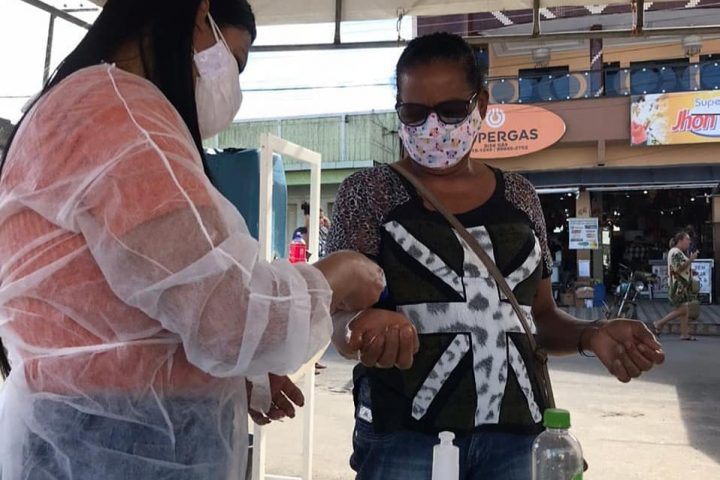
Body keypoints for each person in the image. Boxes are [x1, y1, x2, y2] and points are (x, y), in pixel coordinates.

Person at [0, 1, 385, 478]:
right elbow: (227, 316)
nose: (232, 85)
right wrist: (336, 275)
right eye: (234, 62)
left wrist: (238, 375)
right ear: (200, 15)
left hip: (87, 433)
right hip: (126, 443)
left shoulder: (76, 107)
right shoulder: (121, 116)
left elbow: (135, 310)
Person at [327, 32, 665, 480]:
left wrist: (593, 334)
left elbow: (539, 317)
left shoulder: (519, 197)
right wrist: (356, 329)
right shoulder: (368, 193)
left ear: (481, 105)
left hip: (517, 440)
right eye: (414, 113)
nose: (432, 127)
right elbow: (334, 316)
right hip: (404, 439)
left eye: (451, 111)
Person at [653, 232, 699, 340]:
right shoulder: (675, 252)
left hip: (681, 285)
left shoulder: (678, 252)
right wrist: (691, 259)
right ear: (680, 240)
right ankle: (659, 323)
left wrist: (691, 271)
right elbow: (678, 268)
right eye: (687, 239)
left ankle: (684, 333)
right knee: (683, 310)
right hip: (678, 286)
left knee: (685, 309)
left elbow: (680, 267)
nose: (689, 242)